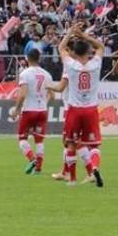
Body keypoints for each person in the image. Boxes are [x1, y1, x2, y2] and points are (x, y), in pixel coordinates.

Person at [48, 24, 105, 187]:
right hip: (91, 108)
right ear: (88, 52)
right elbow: (100, 46)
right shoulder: (95, 64)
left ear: (75, 53)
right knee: (94, 145)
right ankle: (94, 167)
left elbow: (61, 47)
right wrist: (84, 35)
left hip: (74, 109)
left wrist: (71, 32)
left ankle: (72, 179)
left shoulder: (70, 66)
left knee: (71, 142)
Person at [11, 48, 53, 174]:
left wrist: (17, 110)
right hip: (42, 111)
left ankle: (32, 159)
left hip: (29, 110)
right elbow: (52, 95)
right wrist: (44, 103)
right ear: (39, 59)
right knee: (39, 140)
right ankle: (39, 168)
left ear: (27, 59)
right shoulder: (47, 74)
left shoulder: (25, 74)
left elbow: (22, 94)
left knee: (22, 139)